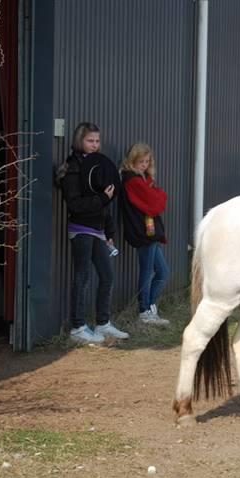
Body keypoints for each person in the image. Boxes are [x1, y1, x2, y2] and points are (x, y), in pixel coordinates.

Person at [59, 122, 129, 344]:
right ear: (79, 141)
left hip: (98, 230)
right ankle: (78, 328)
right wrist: (102, 199)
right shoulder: (73, 167)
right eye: (90, 140)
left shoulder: (97, 165)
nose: (95, 145)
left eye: (97, 141)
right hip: (80, 229)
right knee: (82, 277)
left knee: (107, 276)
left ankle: (103, 323)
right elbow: (75, 204)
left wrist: (109, 231)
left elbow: (104, 203)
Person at [119, 143, 171, 326]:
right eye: (140, 161)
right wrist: (157, 194)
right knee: (148, 271)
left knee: (162, 272)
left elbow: (155, 199)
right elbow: (156, 203)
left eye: (147, 161)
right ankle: (144, 311)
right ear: (132, 161)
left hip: (149, 232)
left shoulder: (143, 179)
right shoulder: (133, 180)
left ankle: (149, 307)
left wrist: (155, 193)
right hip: (143, 233)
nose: (144, 164)